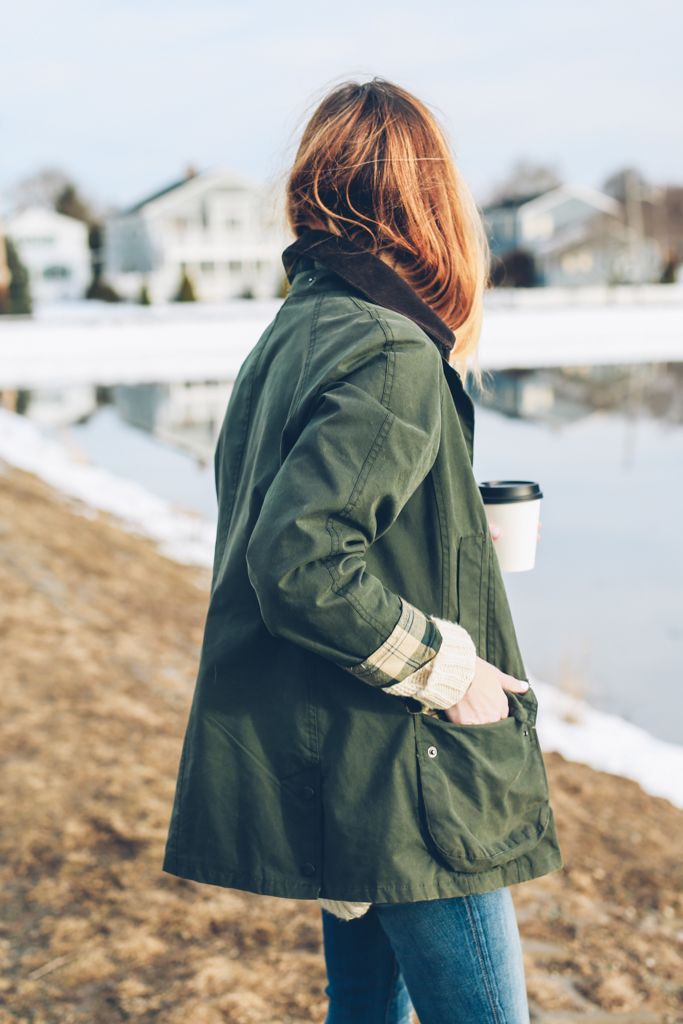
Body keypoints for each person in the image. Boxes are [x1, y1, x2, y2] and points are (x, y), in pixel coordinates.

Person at [162, 76, 564, 1024]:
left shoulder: (296, 331)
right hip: (406, 775)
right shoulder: (391, 349)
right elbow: (298, 562)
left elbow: (324, 533)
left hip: (348, 760)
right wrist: (448, 670)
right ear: (425, 205)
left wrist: (446, 539)